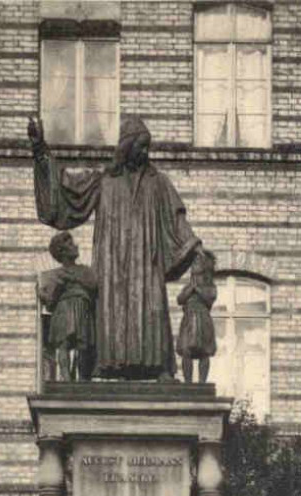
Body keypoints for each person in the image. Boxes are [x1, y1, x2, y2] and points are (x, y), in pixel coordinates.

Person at [29, 114, 201, 380]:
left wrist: (194, 246)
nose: (145, 152)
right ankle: (113, 365)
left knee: (151, 306)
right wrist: (40, 151)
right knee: (113, 310)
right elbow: (66, 194)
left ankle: (157, 367)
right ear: (126, 147)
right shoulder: (103, 181)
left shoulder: (159, 182)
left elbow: (177, 219)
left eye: (147, 147)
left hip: (146, 263)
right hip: (113, 264)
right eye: (140, 146)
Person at [39, 232, 97, 382]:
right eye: (71, 245)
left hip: (82, 308)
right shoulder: (55, 275)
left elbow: (94, 285)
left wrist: (73, 278)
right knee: (64, 344)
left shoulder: (85, 270)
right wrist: (56, 288)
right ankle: (65, 377)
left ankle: (83, 377)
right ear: (62, 252)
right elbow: (50, 302)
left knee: (83, 345)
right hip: (64, 309)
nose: (76, 246)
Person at [176, 247, 217, 384]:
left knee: (204, 352)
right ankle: (188, 382)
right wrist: (189, 290)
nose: (193, 266)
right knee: (186, 350)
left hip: (202, 318)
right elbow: (180, 299)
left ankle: (202, 382)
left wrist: (197, 289)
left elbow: (210, 298)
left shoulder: (209, 285)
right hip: (188, 319)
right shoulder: (189, 285)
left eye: (197, 262)